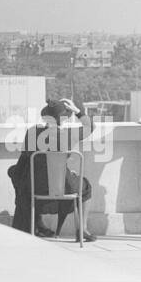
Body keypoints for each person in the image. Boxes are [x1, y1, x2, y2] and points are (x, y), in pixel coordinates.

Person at [10, 100, 95, 241]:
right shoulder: (69, 133)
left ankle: (36, 222)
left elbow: (23, 160)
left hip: (34, 189)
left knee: (19, 176)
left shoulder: (32, 132)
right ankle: (83, 229)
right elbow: (90, 126)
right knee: (85, 186)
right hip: (64, 188)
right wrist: (77, 110)